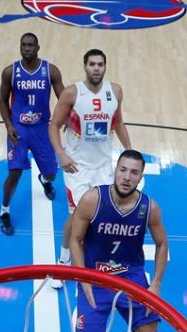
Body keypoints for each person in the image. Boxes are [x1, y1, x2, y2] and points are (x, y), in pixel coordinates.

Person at [69, 150, 167, 332]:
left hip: (131, 277)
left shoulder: (149, 208)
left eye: (134, 172)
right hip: (95, 277)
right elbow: (75, 239)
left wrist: (156, 283)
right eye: (123, 170)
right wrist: (83, 278)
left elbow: (161, 244)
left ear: (141, 177)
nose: (127, 177)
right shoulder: (92, 199)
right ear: (115, 170)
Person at [49, 48, 131, 286]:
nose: (96, 68)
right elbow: (53, 125)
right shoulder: (71, 93)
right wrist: (61, 154)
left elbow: (118, 122)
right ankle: (63, 261)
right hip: (77, 168)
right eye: (92, 64)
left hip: (103, 166)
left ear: (105, 67)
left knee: (104, 215)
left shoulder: (115, 91)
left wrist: (129, 150)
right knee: (76, 215)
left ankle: (101, 259)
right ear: (85, 66)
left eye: (100, 64)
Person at [0, 33, 64, 236]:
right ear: (20, 47)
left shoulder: (50, 71)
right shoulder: (10, 72)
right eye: (24, 45)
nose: (27, 48)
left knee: (51, 174)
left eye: (31, 45)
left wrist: (65, 120)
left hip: (42, 128)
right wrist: (8, 124)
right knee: (15, 172)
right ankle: (4, 211)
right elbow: (2, 100)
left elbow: (64, 99)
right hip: (18, 129)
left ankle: (44, 180)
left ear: (38, 47)